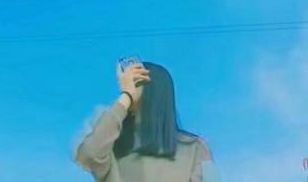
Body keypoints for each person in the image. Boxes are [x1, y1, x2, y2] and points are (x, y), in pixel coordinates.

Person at [71, 60, 219, 182]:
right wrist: (126, 96)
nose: (128, 87)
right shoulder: (114, 147)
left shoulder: (194, 148)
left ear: (153, 91)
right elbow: (88, 154)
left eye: (135, 82)